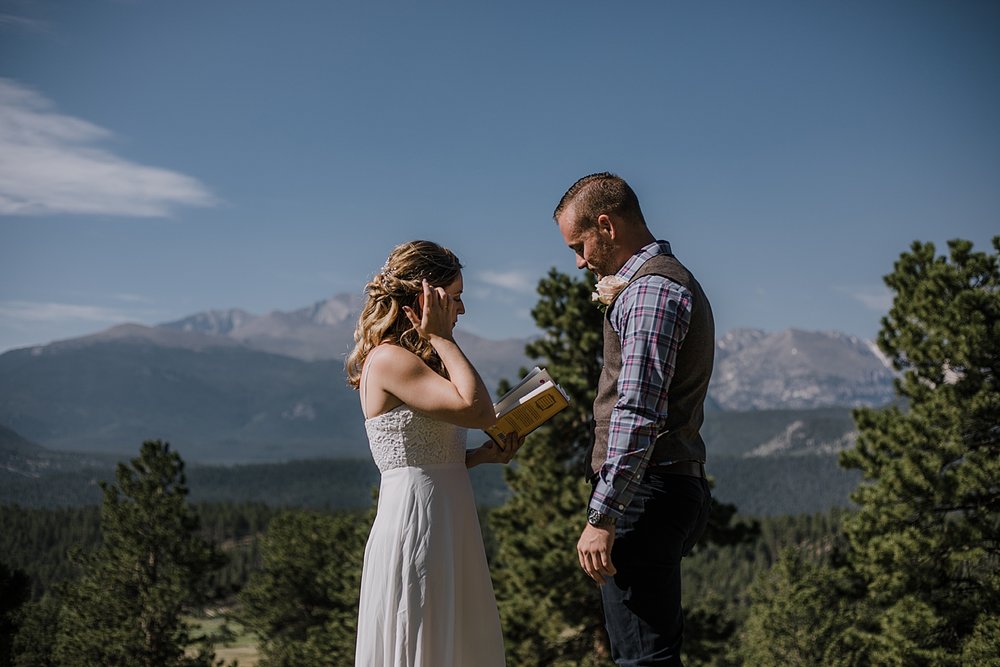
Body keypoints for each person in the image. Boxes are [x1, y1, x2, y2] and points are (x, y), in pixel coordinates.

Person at [553, 173, 714, 666]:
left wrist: (603, 514)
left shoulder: (650, 292)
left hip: (644, 494)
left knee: (641, 659)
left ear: (606, 225)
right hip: (664, 486)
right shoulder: (658, 282)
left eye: (580, 246)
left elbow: (638, 411)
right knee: (645, 651)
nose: (580, 262)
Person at [346, 239, 521, 667]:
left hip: (447, 518)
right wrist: (441, 338)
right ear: (425, 299)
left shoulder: (416, 360)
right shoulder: (389, 360)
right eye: (455, 299)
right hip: (418, 524)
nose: (461, 311)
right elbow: (477, 410)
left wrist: (480, 457)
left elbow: (427, 455)